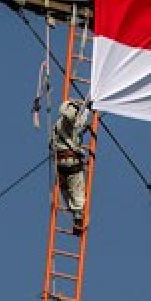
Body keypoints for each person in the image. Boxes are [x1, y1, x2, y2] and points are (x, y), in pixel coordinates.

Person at [48, 99, 92, 234]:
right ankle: (78, 218)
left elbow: (77, 129)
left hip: (61, 166)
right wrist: (89, 109)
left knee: (69, 194)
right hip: (71, 165)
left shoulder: (59, 125)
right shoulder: (69, 123)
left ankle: (77, 218)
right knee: (76, 195)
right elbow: (78, 122)